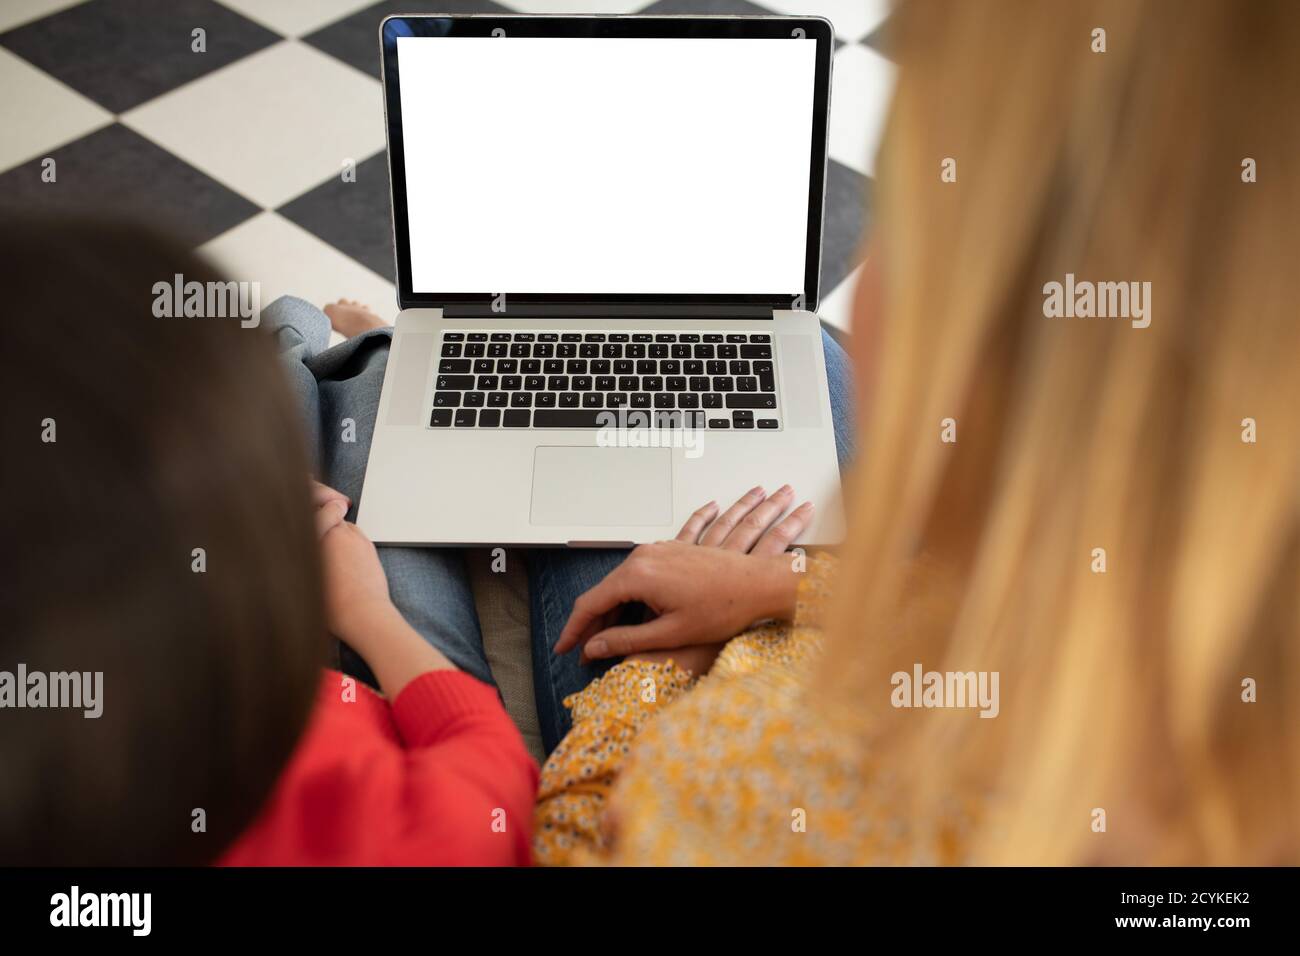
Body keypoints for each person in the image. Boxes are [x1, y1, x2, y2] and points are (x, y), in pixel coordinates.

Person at [532, 0, 1300, 865]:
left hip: (725, 681)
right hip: (792, 612)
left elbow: (572, 836)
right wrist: (780, 586)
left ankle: (355, 352)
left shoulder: (740, 781)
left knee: (408, 525)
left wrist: (666, 673)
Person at [1, 221, 537, 865]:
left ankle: (314, 336)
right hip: (371, 688)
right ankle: (336, 338)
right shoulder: (370, 828)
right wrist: (367, 613)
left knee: (295, 385)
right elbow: (496, 771)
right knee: (368, 381)